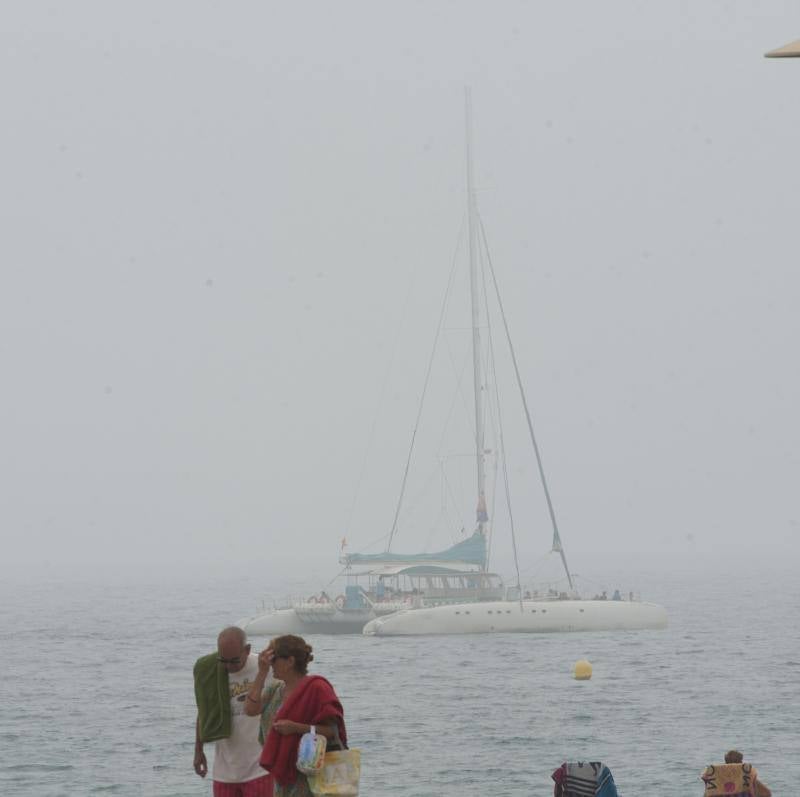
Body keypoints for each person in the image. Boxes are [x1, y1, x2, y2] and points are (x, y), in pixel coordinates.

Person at [244, 634, 346, 797]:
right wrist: (262, 673)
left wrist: (297, 728)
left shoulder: (317, 688)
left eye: (273, 659)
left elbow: (332, 731)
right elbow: (250, 709)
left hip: (311, 777)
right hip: (283, 778)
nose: (270, 664)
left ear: (290, 661)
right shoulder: (275, 690)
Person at [193, 626, 273, 797]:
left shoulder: (265, 669)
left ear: (247, 650)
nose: (228, 666)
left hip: (260, 769)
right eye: (223, 660)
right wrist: (198, 751)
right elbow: (205, 711)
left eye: (234, 661)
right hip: (224, 772)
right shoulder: (211, 671)